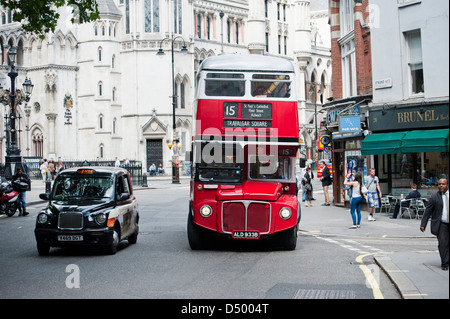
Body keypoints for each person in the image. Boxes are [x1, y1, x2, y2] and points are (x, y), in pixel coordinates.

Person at [420, 178, 449, 271]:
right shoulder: (434, 196)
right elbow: (428, 211)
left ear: (447, 185)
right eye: (439, 184)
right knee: (443, 244)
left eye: (443, 184)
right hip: (441, 224)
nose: (441, 185)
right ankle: (445, 263)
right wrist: (423, 224)